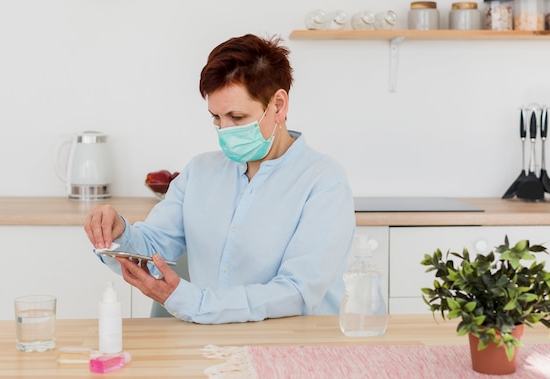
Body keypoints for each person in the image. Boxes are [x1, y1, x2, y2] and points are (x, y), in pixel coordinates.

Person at [84, 34, 355, 324]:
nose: (224, 130)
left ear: (278, 105)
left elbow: (297, 292)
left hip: (293, 350)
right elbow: (154, 249)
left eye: (236, 117)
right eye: (216, 117)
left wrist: (197, 303)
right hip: (212, 346)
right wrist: (118, 235)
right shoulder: (200, 172)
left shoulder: (324, 182)